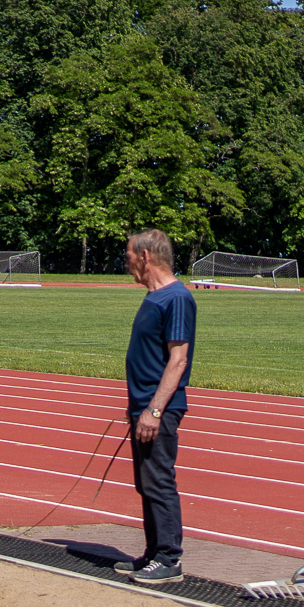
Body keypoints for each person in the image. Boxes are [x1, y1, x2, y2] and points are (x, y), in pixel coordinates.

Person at [113, 228, 196, 585]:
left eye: (129, 255)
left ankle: (168, 558)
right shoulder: (154, 296)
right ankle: (152, 552)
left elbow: (178, 359)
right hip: (142, 404)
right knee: (146, 482)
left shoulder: (176, 298)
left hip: (158, 408)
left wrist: (155, 410)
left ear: (145, 256)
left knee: (159, 480)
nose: (126, 262)